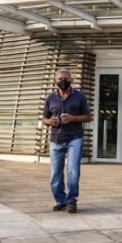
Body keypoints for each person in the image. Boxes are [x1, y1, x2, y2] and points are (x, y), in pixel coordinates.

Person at [41, 67, 92, 214]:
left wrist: (73, 118)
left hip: (75, 138)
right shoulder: (50, 98)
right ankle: (60, 201)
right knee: (56, 172)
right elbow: (44, 118)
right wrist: (50, 121)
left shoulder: (80, 96)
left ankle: (71, 201)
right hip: (56, 139)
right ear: (55, 81)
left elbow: (88, 117)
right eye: (60, 79)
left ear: (71, 80)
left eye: (66, 79)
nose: (63, 81)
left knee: (73, 170)